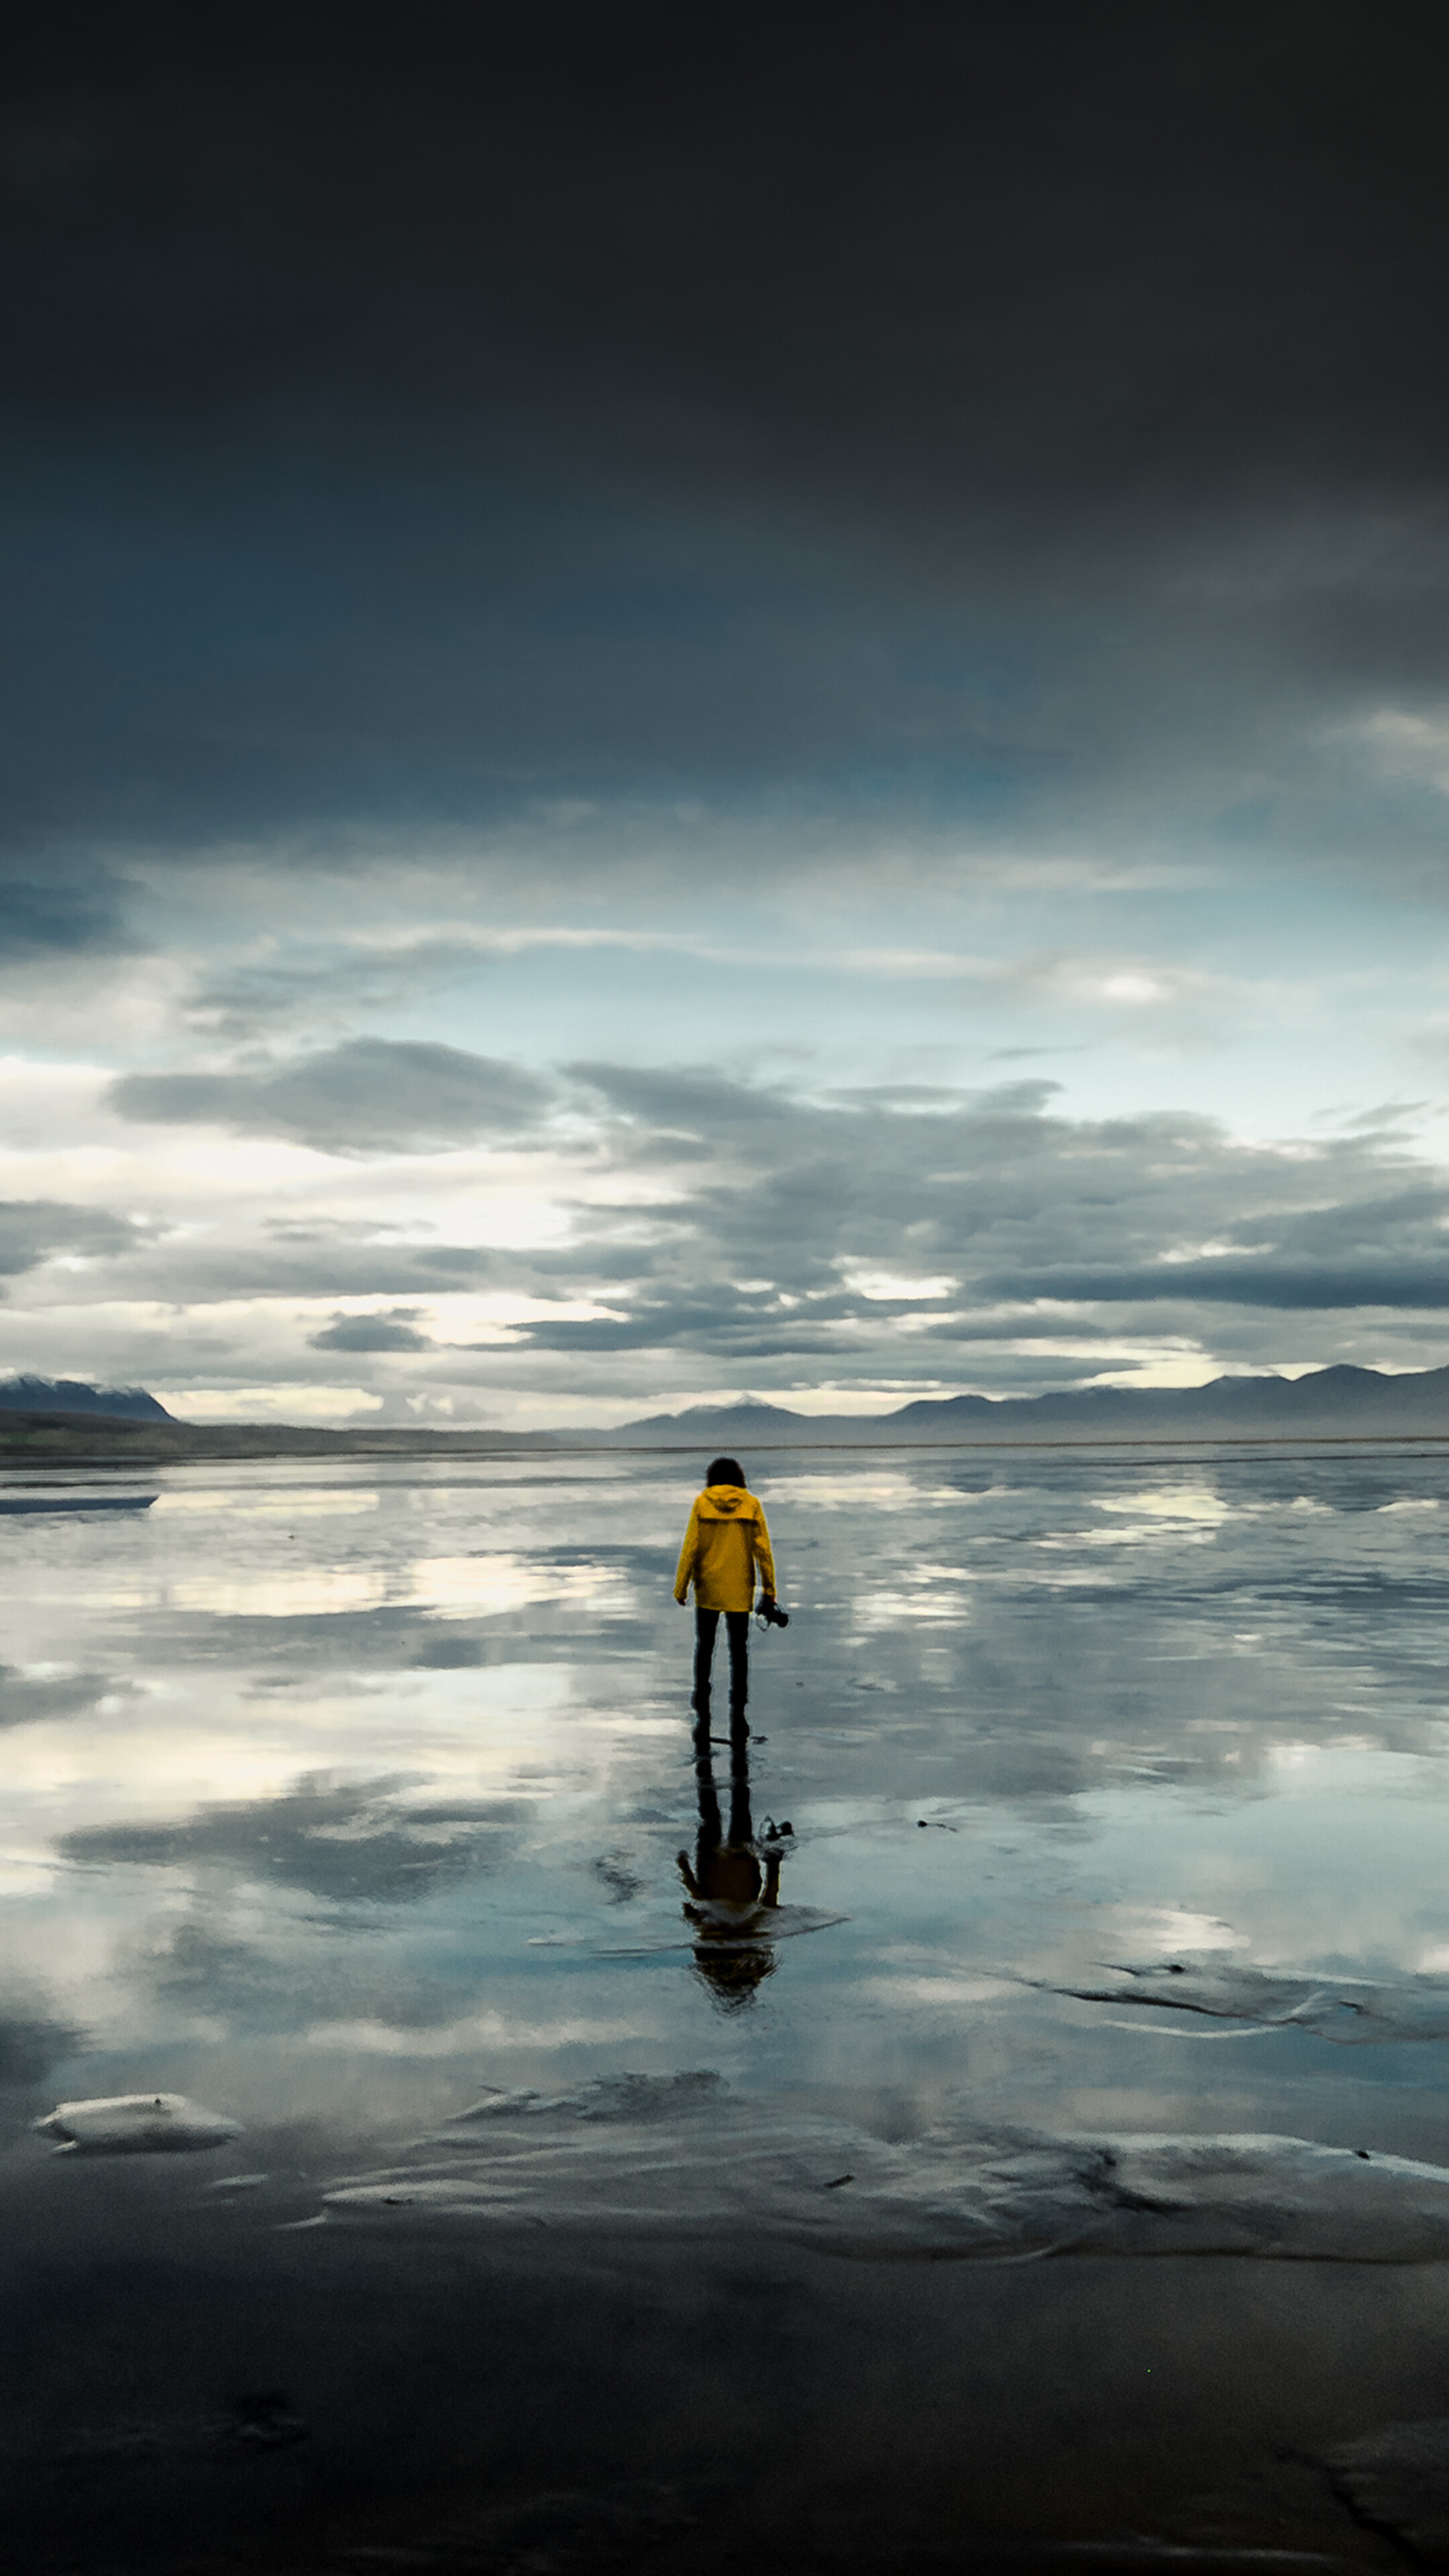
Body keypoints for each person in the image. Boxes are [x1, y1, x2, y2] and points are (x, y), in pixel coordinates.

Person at [673, 1455, 777, 1716]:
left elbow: (690, 1547)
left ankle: (701, 1696)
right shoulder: (751, 1505)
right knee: (739, 1649)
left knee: (705, 1646)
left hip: (708, 1587)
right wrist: (769, 1590)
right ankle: (739, 1700)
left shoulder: (702, 1503)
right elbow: (764, 1552)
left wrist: (681, 1587)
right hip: (740, 1588)